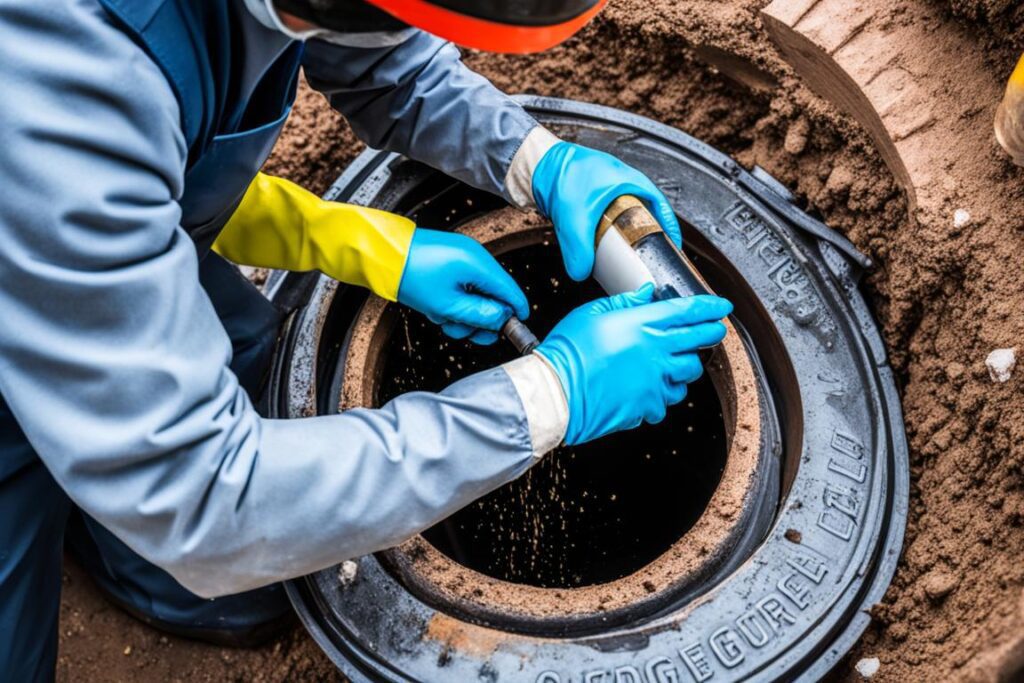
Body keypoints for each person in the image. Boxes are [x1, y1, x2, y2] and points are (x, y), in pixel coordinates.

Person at [0, 0, 733, 677]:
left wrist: (533, 162)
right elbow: (207, 497)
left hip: (59, 237)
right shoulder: (66, 80)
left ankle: (121, 544)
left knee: (241, 359)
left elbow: (382, 62)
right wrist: (551, 394)